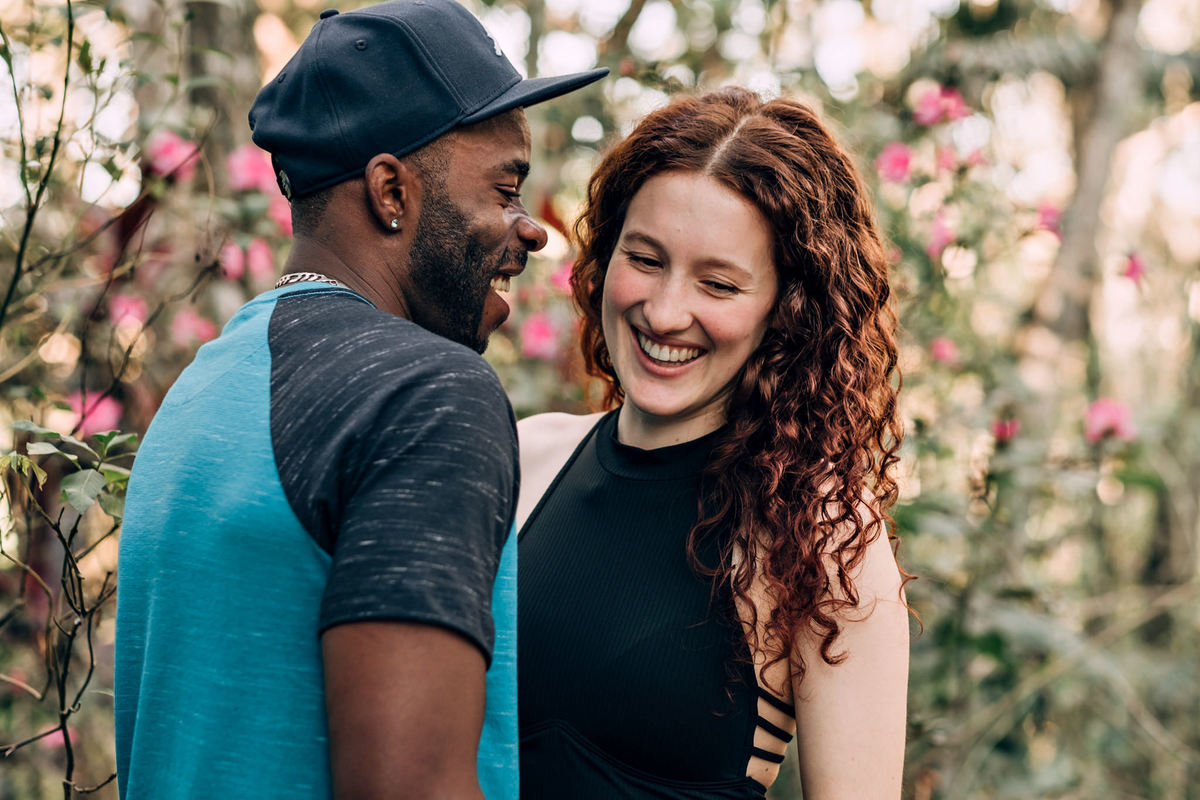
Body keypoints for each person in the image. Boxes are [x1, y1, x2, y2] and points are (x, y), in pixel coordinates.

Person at [113, 2, 605, 798]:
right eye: (505, 189)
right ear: (390, 192)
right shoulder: (426, 393)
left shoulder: (206, 385)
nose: (532, 228)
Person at [517, 87, 911, 798]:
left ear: (786, 310)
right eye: (644, 258)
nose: (665, 312)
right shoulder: (523, 459)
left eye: (719, 284)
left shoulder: (821, 533)